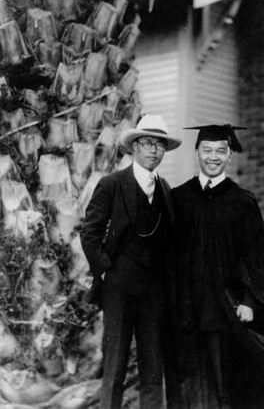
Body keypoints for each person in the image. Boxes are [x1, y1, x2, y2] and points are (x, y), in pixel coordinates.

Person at [170, 124, 264, 409]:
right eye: (207, 150)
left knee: (227, 381)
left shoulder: (241, 201)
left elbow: (257, 259)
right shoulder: (179, 198)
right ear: (196, 153)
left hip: (225, 306)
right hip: (186, 307)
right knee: (189, 379)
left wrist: (250, 301)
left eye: (220, 151)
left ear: (229, 157)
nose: (213, 157)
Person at [81, 114, 181, 409]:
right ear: (135, 147)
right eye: (148, 143)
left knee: (152, 367)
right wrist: (107, 273)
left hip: (154, 292)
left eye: (159, 145)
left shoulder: (166, 191)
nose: (154, 150)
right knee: (115, 364)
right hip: (119, 288)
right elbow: (89, 233)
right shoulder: (112, 184)